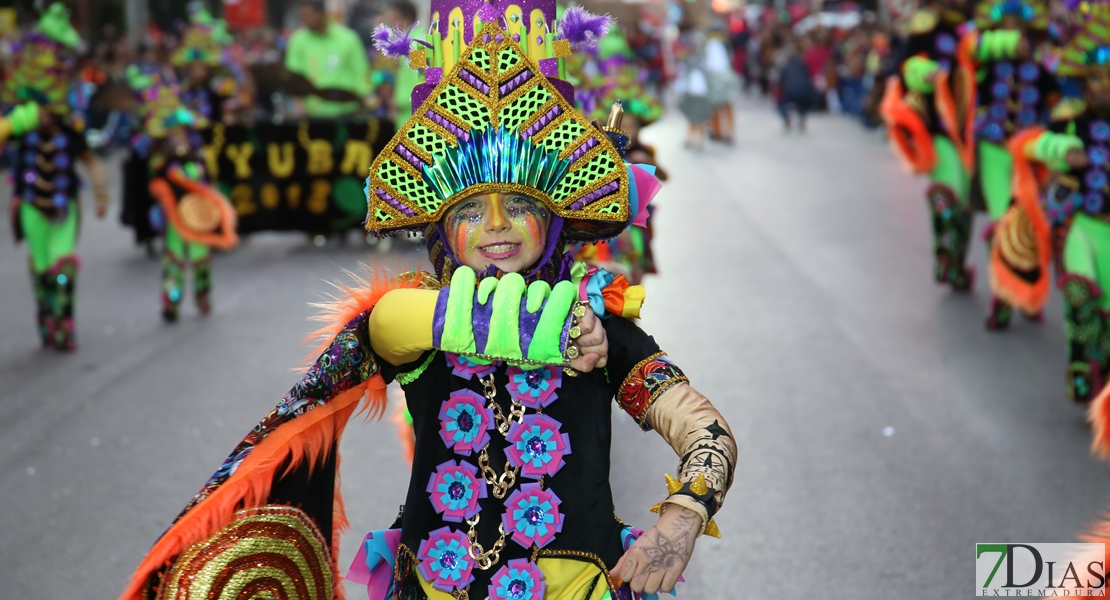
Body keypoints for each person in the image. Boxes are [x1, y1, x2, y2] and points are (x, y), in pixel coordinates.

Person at [116, 2, 737, 600]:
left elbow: (706, 430)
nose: (497, 225)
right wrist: (532, 330)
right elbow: (387, 325)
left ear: (553, 215)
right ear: (439, 222)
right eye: (470, 208)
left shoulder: (599, 327)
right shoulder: (417, 320)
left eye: (520, 204)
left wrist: (683, 516)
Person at [1005, 4, 1110, 402]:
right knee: (1081, 295)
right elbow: (1035, 144)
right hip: (1082, 224)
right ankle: (1080, 365)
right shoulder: (1071, 115)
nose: (1104, 86)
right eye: (1097, 79)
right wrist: (1065, 149)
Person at [3, 3, 110, 351]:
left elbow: (89, 160)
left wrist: (101, 193)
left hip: (65, 205)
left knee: (64, 267)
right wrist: (21, 119)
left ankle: (65, 321)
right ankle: (45, 312)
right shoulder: (21, 121)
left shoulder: (71, 124)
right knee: (41, 266)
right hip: (32, 202)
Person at [963, 0, 1060, 329]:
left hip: (1029, 155)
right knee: (1003, 220)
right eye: (1007, 26)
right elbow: (966, 51)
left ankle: (1028, 292)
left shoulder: (1043, 69)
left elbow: (1059, 110)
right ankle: (1003, 296)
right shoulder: (984, 62)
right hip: (993, 149)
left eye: (1019, 27)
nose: (1014, 32)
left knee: (1031, 223)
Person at [128, 67, 239, 322]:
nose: (177, 134)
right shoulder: (157, 154)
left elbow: (207, 171)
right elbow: (149, 173)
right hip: (172, 213)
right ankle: (171, 299)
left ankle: (202, 294)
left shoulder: (198, 148)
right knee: (173, 255)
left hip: (197, 210)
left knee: (200, 254)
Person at [880, 0, 976, 291]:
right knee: (954, 190)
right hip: (942, 127)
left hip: (977, 127)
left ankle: (954, 260)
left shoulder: (977, 24)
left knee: (964, 200)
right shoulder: (928, 24)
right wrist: (926, 73)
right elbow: (908, 64)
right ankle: (950, 256)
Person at [284, 0, 372, 118]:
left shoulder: (348, 39)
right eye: (303, 16)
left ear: (323, 13)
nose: (305, 20)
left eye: (309, 15)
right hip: (311, 114)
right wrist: (299, 108)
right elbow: (293, 78)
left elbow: (361, 73)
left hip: (346, 111)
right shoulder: (298, 40)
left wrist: (366, 100)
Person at [776, 42, 816, 132]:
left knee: (780, 104)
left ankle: (787, 119)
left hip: (791, 91)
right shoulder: (803, 66)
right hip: (805, 90)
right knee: (803, 103)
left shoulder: (786, 67)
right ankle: (802, 119)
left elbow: (781, 81)